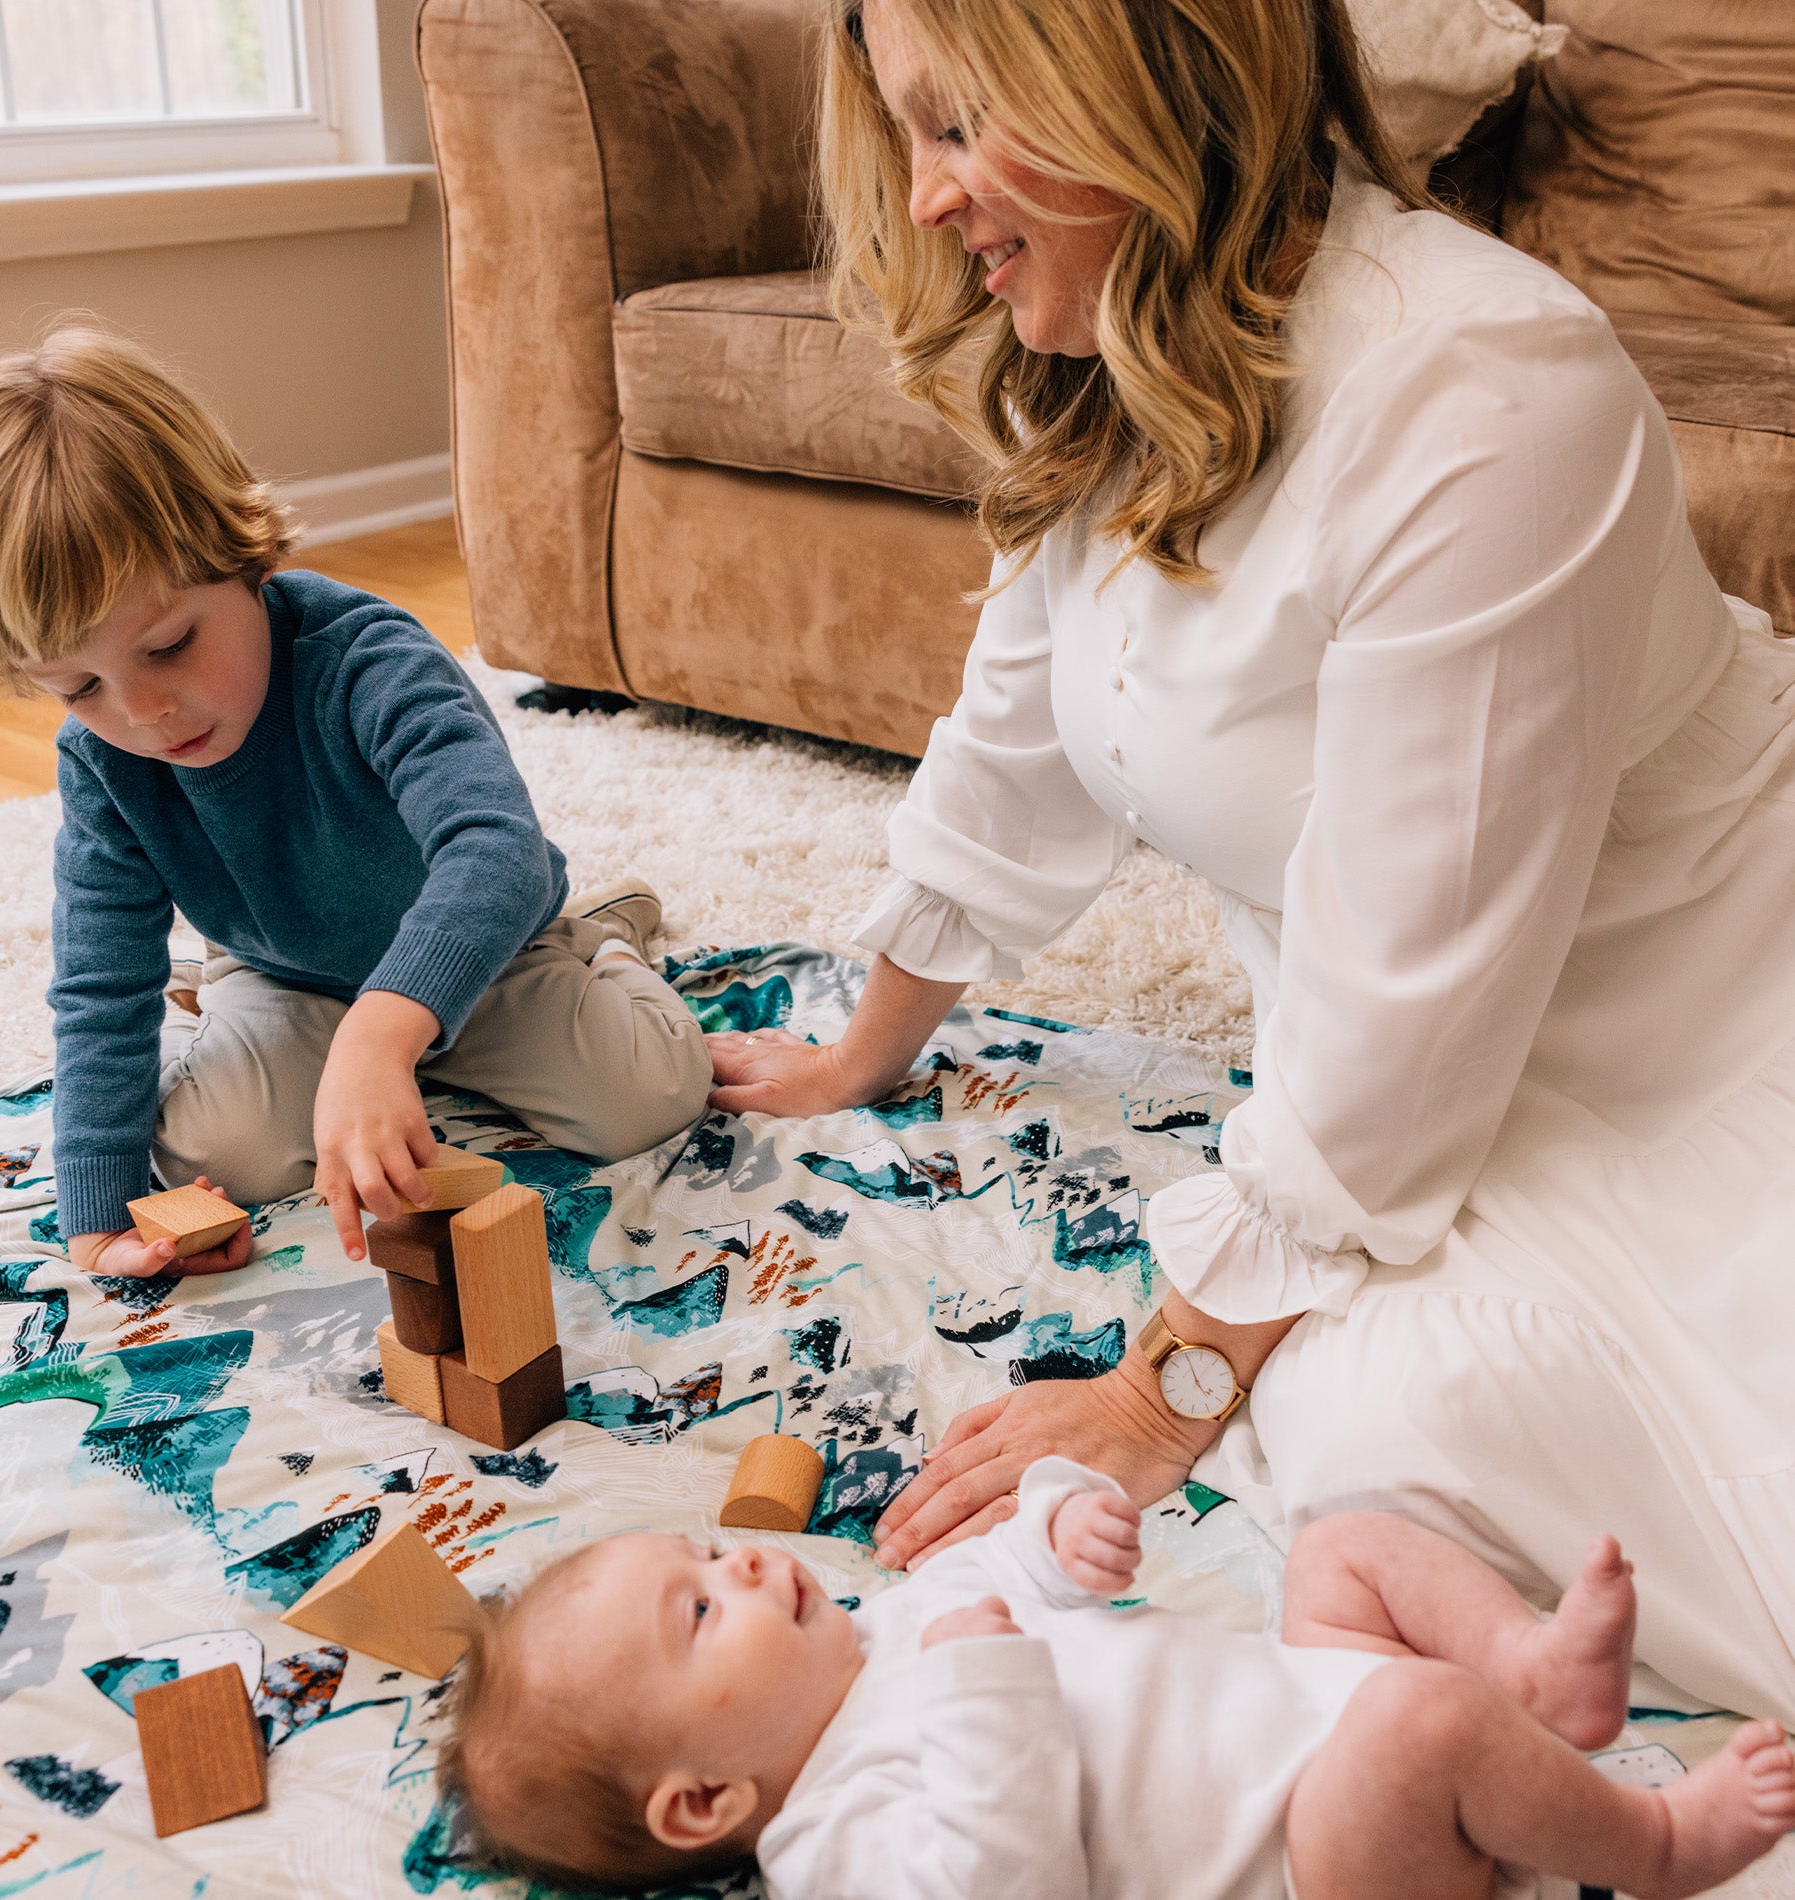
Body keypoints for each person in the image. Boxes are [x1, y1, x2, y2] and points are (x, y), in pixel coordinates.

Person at [707, 0, 1795, 1725]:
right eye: (908, 132)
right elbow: (1016, 746)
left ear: (1146, 75)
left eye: (965, 118)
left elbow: (1402, 1019)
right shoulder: (1113, 351)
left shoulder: (1490, 387)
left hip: (1706, 1006)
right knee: (1374, 1433)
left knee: (1384, 1420)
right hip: (1433, 1051)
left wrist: (1160, 1394)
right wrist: (864, 1048)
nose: (924, 199)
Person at [0, 326, 711, 1278]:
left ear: (239, 551)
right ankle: (272, 1024)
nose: (145, 712)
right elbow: (99, 982)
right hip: (285, 974)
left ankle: (606, 935)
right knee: (211, 1155)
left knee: (654, 1094)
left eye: (167, 646)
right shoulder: (102, 759)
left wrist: (383, 1036)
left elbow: (496, 852)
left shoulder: (369, 661)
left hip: (489, 954)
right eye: (78, 686)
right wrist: (94, 1219)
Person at [439, 1457, 1795, 1899]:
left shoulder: (905, 1627)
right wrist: (983, 1688)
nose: (742, 1572)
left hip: (1297, 1701)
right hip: (1321, 1851)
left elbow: (1033, 1579)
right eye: (697, 1614)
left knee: (1343, 1549)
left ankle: (1536, 1682)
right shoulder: (836, 1842)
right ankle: (1658, 1841)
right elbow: (1008, 1877)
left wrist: (1064, 1525)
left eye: (706, 1558)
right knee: (1419, 1726)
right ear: (701, 1802)